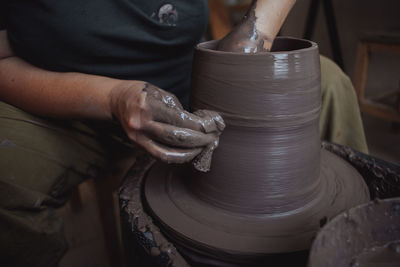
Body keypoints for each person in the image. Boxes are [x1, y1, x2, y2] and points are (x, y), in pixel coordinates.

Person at [0, 0, 367, 266]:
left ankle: (352, 243)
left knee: (329, 82)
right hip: (62, 98)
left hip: (181, 82)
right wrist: (112, 98)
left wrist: (260, 28)